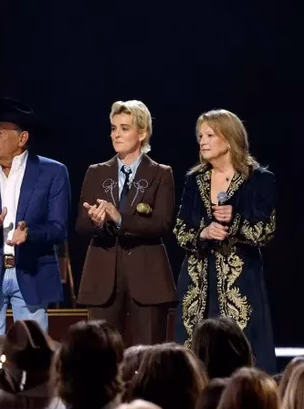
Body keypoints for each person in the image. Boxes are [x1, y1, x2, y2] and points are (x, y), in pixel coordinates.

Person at [0, 97, 70, 339]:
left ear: (22, 138)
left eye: (0, 133)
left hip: (32, 272)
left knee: (33, 353)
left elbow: (59, 228)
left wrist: (30, 233)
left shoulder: (53, 172)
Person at [173, 109, 276, 373]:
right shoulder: (194, 181)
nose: (202, 142)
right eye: (200, 136)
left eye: (209, 135)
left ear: (228, 139)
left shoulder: (259, 180)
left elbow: (265, 231)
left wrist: (236, 221)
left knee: (241, 358)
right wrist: (203, 233)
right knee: (196, 357)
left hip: (240, 284)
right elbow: (181, 231)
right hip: (197, 283)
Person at [76, 100, 177, 345]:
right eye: (113, 128)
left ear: (142, 133)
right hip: (102, 277)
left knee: (151, 356)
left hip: (147, 276)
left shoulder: (161, 173)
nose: (116, 134)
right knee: (101, 355)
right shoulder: (96, 172)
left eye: (124, 128)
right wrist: (98, 222)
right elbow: (81, 225)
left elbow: (162, 223)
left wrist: (120, 219)